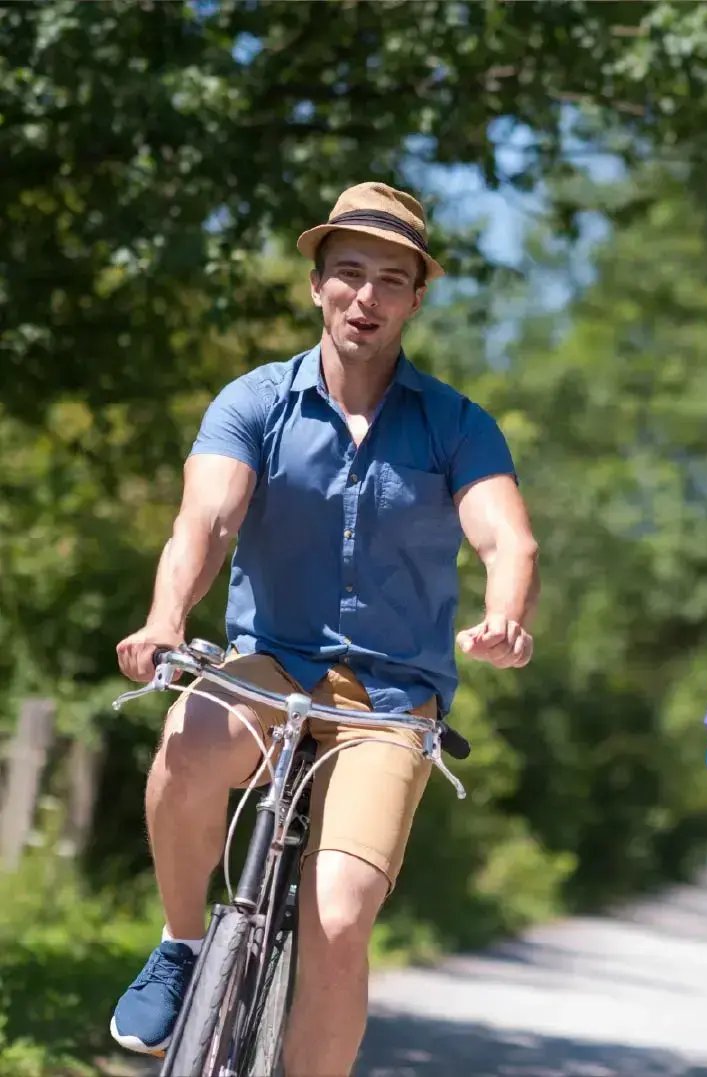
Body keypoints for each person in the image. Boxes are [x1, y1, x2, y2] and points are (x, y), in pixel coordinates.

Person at [109, 181, 540, 1075]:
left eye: (391, 279)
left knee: (339, 914)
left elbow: (506, 534)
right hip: (270, 663)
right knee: (188, 743)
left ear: (417, 298)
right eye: (348, 273)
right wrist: (165, 617)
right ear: (316, 286)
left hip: (390, 697)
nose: (366, 297)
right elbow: (208, 521)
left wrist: (505, 614)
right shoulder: (255, 402)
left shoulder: (457, 424)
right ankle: (182, 944)